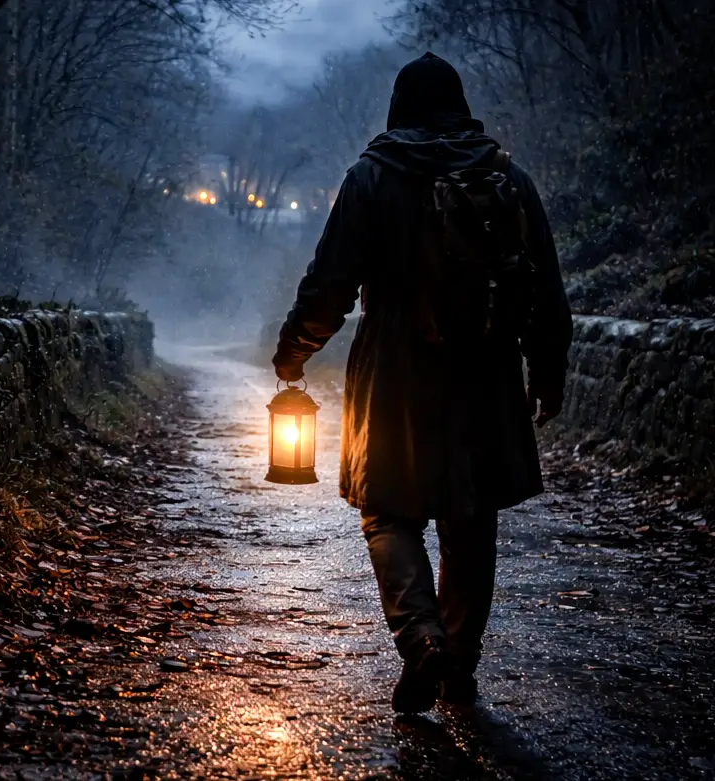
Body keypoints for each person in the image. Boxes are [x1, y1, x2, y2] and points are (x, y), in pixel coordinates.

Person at [270, 52, 573, 714]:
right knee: (472, 518)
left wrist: (293, 352)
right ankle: (458, 662)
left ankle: (423, 639)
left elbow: (331, 283)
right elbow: (545, 288)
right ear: (461, 106)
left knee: (387, 508)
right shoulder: (507, 177)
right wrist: (547, 369)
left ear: (399, 108)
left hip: (396, 371)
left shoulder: (372, 177)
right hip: (487, 370)